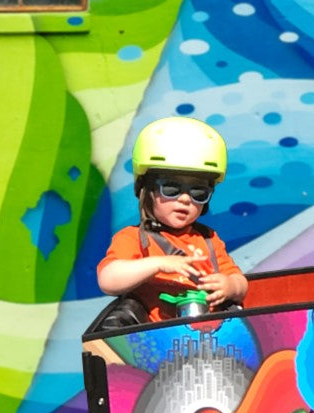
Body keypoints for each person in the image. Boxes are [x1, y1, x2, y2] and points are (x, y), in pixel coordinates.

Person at [98, 116, 248, 323]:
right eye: (171, 189)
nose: (185, 199)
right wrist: (158, 264)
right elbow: (109, 280)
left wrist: (231, 286)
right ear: (147, 191)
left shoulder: (208, 238)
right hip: (155, 343)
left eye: (198, 192)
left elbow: (240, 281)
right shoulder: (133, 238)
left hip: (213, 339)